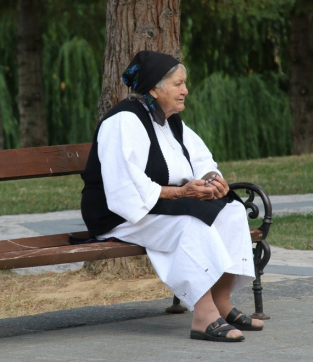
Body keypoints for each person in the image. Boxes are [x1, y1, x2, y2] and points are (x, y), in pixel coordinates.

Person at [81, 51, 264, 342]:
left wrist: (211, 181)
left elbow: (201, 160)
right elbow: (124, 188)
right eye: (179, 84)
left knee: (231, 211)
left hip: (162, 203)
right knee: (190, 226)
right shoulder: (124, 122)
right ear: (155, 88)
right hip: (121, 214)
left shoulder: (170, 119)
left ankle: (221, 301)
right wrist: (181, 192)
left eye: (184, 83)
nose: (185, 91)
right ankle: (204, 317)